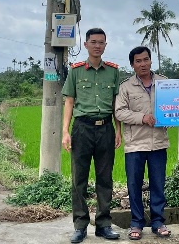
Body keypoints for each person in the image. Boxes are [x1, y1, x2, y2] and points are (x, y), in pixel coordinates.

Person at [62, 28, 122, 243]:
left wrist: (118, 130)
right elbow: (69, 101)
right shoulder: (76, 71)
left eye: (101, 42)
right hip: (82, 129)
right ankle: (80, 226)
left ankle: (104, 225)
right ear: (86, 44)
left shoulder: (113, 71)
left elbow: (116, 104)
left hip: (106, 128)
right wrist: (65, 131)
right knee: (79, 179)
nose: (97, 46)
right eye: (93, 42)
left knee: (105, 178)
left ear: (105, 45)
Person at [115, 46, 171, 240]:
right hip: (135, 144)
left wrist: (172, 118)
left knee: (158, 184)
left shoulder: (164, 83)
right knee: (134, 184)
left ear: (151, 61)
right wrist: (142, 117)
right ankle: (136, 223)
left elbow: (174, 105)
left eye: (146, 59)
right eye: (138, 61)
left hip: (158, 143)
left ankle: (158, 222)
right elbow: (119, 112)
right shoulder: (126, 87)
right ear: (132, 65)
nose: (143, 64)